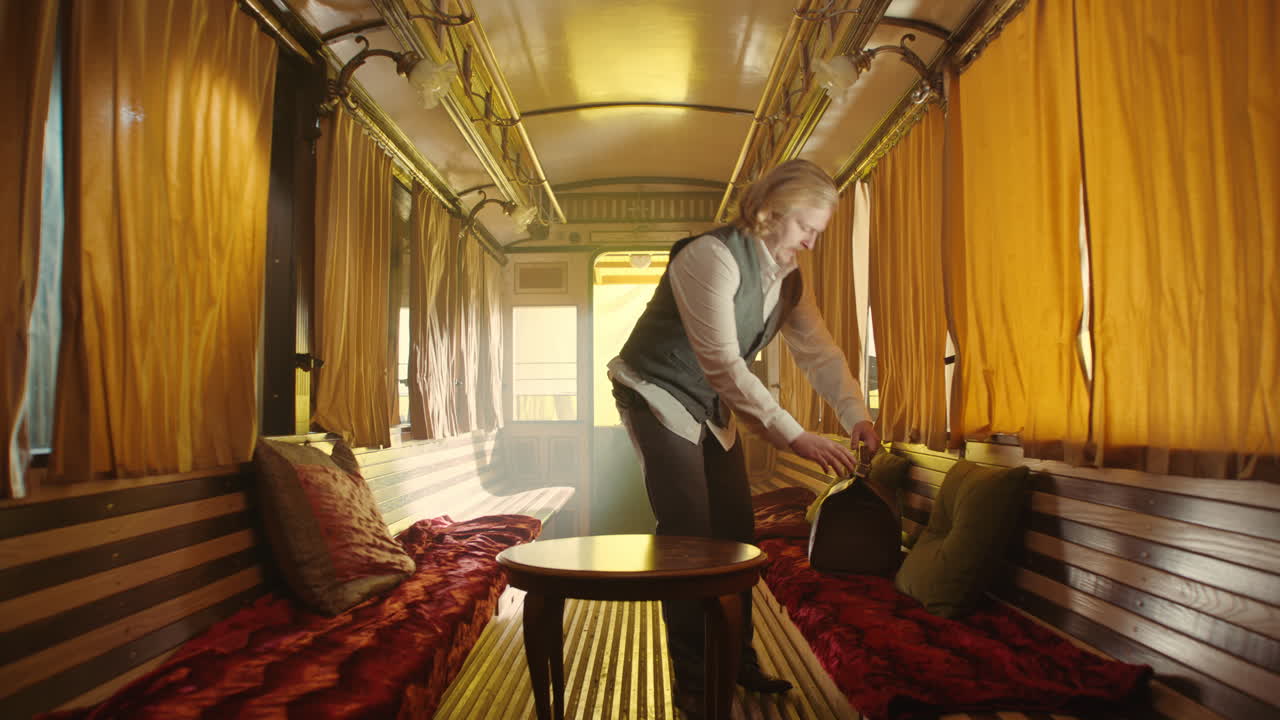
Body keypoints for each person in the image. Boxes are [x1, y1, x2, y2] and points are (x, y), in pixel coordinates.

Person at [608, 158, 880, 718]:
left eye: (817, 233)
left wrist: (856, 414)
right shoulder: (708, 257)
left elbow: (820, 355)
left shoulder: (789, 280)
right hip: (654, 388)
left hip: (709, 405)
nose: (810, 242)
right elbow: (724, 366)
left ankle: (738, 659)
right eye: (807, 228)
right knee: (687, 535)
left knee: (735, 533)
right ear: (770, 212)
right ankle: (693, 678)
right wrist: (795, 436)